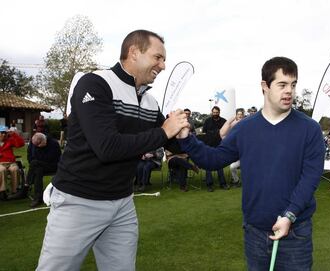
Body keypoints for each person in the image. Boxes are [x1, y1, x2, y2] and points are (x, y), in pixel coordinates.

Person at [36, 29, 189, 270]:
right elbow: (107, 147)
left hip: (122, 203)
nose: (163, 65)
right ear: (134, 52)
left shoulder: (149, 101)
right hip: (78, 201)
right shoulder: (95, 83)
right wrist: (163, 132)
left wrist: (194, 135)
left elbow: (175, 144)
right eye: (158, 57)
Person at [177, 56, 325, 270]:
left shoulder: (309, 129)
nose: (289, 91)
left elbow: (310, 178)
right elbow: (214, 159)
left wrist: (289, 215)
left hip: (295, 233)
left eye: (293, 85)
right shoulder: (245, 128)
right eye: (282, 84)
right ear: (265, 86)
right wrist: (186, 139)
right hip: (255, 232)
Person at [27, 133, 62, 207]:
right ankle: (38, 197)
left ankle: (26, 186)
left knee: (35, 163)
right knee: (38, 170)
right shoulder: (33, 143)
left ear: (44, 141)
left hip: (53, 166)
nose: (37, 147)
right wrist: (35, 160)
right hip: (38, 166)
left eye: (38, 145)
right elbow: (29, 155)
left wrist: (36, 159)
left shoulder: (53, 144)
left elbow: (50, 159)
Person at [202, 106, 229, 192]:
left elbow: (227, 133)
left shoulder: (224, 121)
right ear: (211, 112)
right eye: (214, 112)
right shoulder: (207, 121)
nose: (215, 114)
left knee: (219, 165)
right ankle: (209, 185)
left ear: (219, 112)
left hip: (219, 146)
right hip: (209, 146)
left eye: (216, 112)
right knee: (208, 165)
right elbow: (204, 133)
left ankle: (223, 184)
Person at [0, 126, 25, 200]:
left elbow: (21, 144)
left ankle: (15, 191)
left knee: (15, 169)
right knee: (1, 170)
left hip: (11, 162)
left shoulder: (10, 140)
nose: (3, 135)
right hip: (0, 163)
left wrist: (13, 134)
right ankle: (2, 191)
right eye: (1, 133)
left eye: (5, 133)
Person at [228, 108, 245, 186]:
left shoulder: (247, 124)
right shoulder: (233, 126)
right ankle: (236, 180)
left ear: (243, 115)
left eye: (241, 114)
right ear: (236, 116)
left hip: (246, 155)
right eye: (238, 114)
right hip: (236, 155)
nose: (240, 116)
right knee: (232, 167)